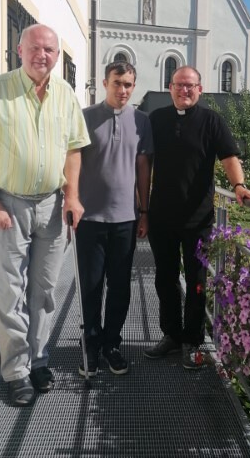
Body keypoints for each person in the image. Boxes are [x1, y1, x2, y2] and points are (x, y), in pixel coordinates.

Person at [0, 24, 90, 406]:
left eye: (49, 49)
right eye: (34, 47)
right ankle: (16, 371)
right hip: (9, 204)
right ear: (19, 50)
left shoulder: (65, 94)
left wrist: (72, 196)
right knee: (11, 290)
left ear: (57, 56)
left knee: (45, 290)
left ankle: (39, 360)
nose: (41, 55)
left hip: (52, 204)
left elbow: (74, 149)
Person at [144, 66, 250, 369]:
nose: (184, 90)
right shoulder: (156, 119)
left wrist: (239, 186)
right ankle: (171, 335)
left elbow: (229, 157)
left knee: (196, 281)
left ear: (200, 89)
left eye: (190, 86)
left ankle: (192, 340)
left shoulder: (212, 121)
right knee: (165, 278)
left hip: (198, 219)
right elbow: (143, 161)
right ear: (170, 88)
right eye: (179, 85)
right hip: (162, 217)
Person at [76, 61, 153, 376]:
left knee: (120, 287)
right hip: (89, 218)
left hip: (126, 219)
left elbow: (143, 167)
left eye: (128, 84)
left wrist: (144, 211)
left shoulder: (142, 121)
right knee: (91, 286)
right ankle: (91, 346)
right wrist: (71, 201)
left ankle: (111, 345)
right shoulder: (85, 117)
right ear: (105, 83)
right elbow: (72, 162)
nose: (123, 90)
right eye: (117, 83)